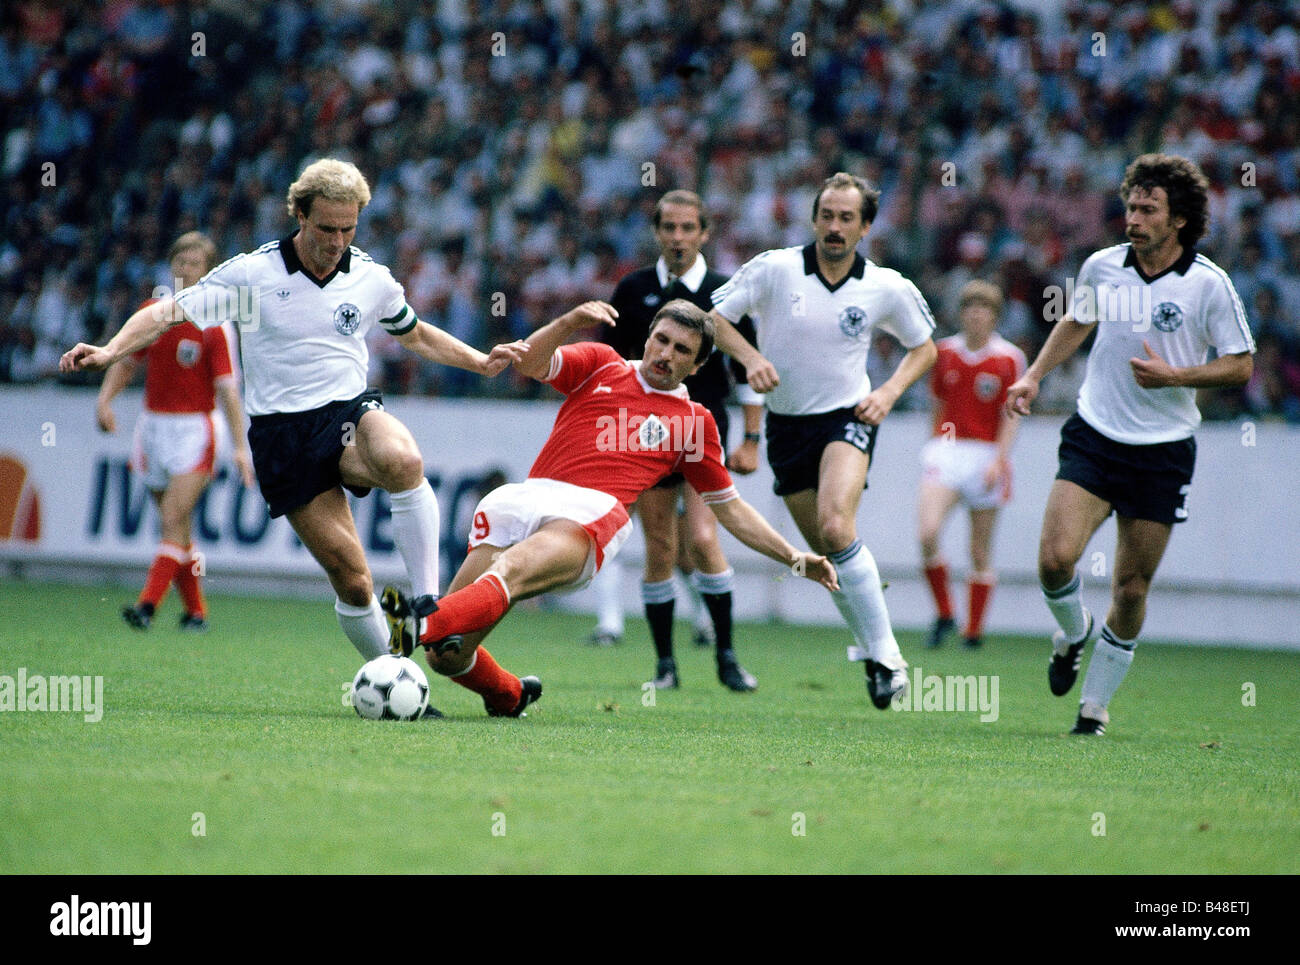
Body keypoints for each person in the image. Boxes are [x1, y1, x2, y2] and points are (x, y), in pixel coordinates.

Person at [61, 159, 527, 714]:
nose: (337, 241)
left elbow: (417, 333)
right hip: (283, 436)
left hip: (349, 412)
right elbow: (165, 313)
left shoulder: (371, 278)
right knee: (354, 583)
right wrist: (112, 350)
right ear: (299, 215)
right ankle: (403, 684)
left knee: (403, 459)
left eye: (348, 228)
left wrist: (481, 361)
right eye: (326, 228)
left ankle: (427, 601)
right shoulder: (251, 276)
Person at [381, 299, 839, 717]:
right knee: (447, 653)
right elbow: (532, 363)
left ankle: (418, 620)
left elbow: (732, 510)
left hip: (590, 515)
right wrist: (570, 321)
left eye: (682, 350)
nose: (666, 353)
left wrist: (795, 558)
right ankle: (508, 695)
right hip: (532, 496)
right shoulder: (602, 364)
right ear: (648, 337)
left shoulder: (693, 423)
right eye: (661, 339)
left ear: (697, 366)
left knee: (511, 570)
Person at [1005, 153, 1254, 736]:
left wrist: (1176, 377)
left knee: (1132, 585)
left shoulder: (1207, 285)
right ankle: (1072, 632)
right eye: (1131, 206)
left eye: (1149, 209)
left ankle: (1093, 709)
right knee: (1054, 559)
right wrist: (1035, 375)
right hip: (1094, 434)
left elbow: (1241, 366)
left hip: (1163, 450)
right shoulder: (1102, 267)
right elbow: (1076, 321)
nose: (1134, 218)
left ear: (1180, 221)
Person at [709, 171, 938, 709]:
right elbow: (714, 319)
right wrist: (751, 357)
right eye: (827, 216)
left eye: (847, 219)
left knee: (837, 525)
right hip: (787, 427)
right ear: (814, 219)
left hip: (847, 418)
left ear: (865, 227)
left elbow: (924, 348)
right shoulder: (775, 269)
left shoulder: (886, 286)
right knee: (827, 556)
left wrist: (888, 393)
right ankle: (874, 646)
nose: (835, 227)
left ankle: (889, 660)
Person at [594, 188, 765, 692]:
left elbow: (749, 367)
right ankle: (665, 666)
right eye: (669, 227)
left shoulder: (725, 293)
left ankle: (727, 657)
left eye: (688, 228)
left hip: (703, 434)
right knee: (660, 548)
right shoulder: (632, 289)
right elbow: (615, 366)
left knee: (705, 538)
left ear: (705, 233)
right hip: (646, 434)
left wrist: (753, 438)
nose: (677, 237)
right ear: (657, 232)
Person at [96, 231, 256, 631]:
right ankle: (195, 613)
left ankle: (147, 606)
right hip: (152, 429)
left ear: (209, 271)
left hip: (195, 432)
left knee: (172, 516)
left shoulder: (216, 325)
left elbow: (228, 391)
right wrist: (105, 400)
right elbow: (127, 359)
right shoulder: (154, 311)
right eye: (180, 260)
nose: (185, 268)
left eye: (194, 262)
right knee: (176, 527)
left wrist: (239, 446)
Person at [918, 279, 1025, 649]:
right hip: (948, 451)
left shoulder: (1009, 358)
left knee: (979, 550)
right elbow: (937, 403)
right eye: (970, 308)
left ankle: (973, 631)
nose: (976, 316)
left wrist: (1000, 458)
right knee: (928, 532)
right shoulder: (944, 352)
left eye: (984, 309)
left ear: (995, 316)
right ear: (961, 313)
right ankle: (945, 612)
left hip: (985, 455)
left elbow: (1012, 415)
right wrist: (934, 443)